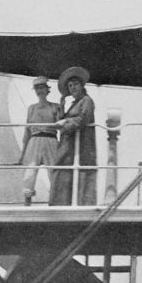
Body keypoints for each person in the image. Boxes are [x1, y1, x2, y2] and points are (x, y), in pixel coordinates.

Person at [49, 66, 97, 206]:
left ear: (81, 85)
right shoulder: (73, 104)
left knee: (80, 173)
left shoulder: (87, 101)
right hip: (68, 144)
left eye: (75, 84)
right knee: (62, 171)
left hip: (81, 144)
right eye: (70, 86)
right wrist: (62, 106)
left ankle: (81, 203)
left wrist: (66, 122)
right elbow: (61, 119)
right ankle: (60, 203)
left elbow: (83, 119)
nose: (72, 88)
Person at [19, 76, 62, 206]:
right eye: (37, 88)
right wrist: (22, 154)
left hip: (51, 140)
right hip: (34, 141)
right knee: (29, 174)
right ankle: (27, 203)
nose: (40, 90)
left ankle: (54, 203)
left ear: (47, 90)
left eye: (42, 87)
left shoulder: (56, 107)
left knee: (54, 172)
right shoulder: (31, 108)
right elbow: (27, 131)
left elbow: (61, 126)